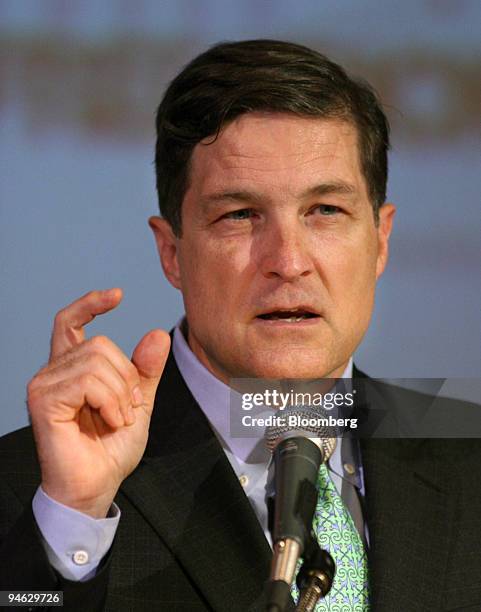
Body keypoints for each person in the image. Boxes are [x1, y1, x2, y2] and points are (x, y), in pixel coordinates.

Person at [0, 39, 480, 612]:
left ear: (380, 240)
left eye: (325, 210)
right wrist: (71, 523)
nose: (288, 259)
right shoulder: (37, 488)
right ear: (172, 253)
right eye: (240, 215)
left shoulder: (466, 447)